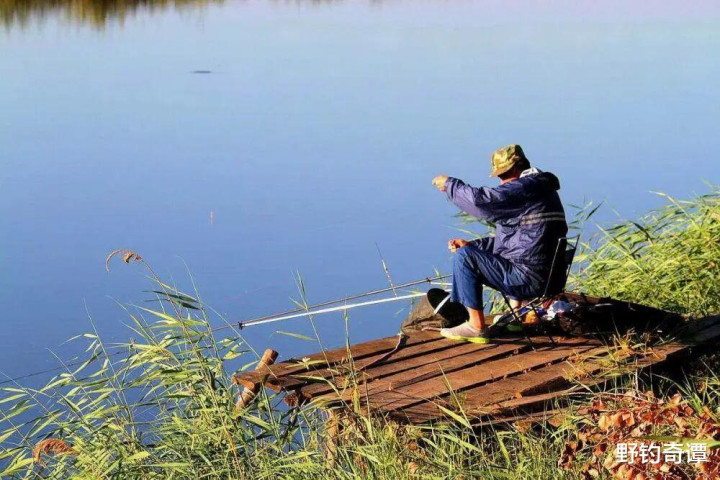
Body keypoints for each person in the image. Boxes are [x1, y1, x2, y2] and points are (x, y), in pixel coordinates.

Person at [431, 144, 567, 342]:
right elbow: (518, 240)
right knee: (469, 252)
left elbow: (481, 201)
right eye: (499, 176)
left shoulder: (524, 188)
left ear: (517, 168)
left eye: (504, 174)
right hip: (550, 279)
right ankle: (516, 314)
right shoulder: (543, 190)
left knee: (464, 258)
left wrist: (450, 185)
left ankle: (476, 326)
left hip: (528, 280)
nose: (502, 181)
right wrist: (473, 246)